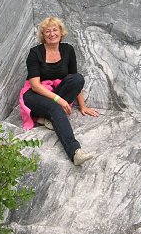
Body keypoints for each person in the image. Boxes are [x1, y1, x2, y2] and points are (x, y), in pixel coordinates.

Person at [19, 16, 99, 166]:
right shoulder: (35, 53)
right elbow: (35, 85)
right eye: (47, 31)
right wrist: (59, 100)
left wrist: (82, 106)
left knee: (78, 79)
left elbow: (74, 79)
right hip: (34, 94)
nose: (52, 34)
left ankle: (48, 117)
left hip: (54, 92)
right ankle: (75, 152)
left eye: (55, 30)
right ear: (43, 35)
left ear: (61, 32)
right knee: (55, 107)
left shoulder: (68, 50)